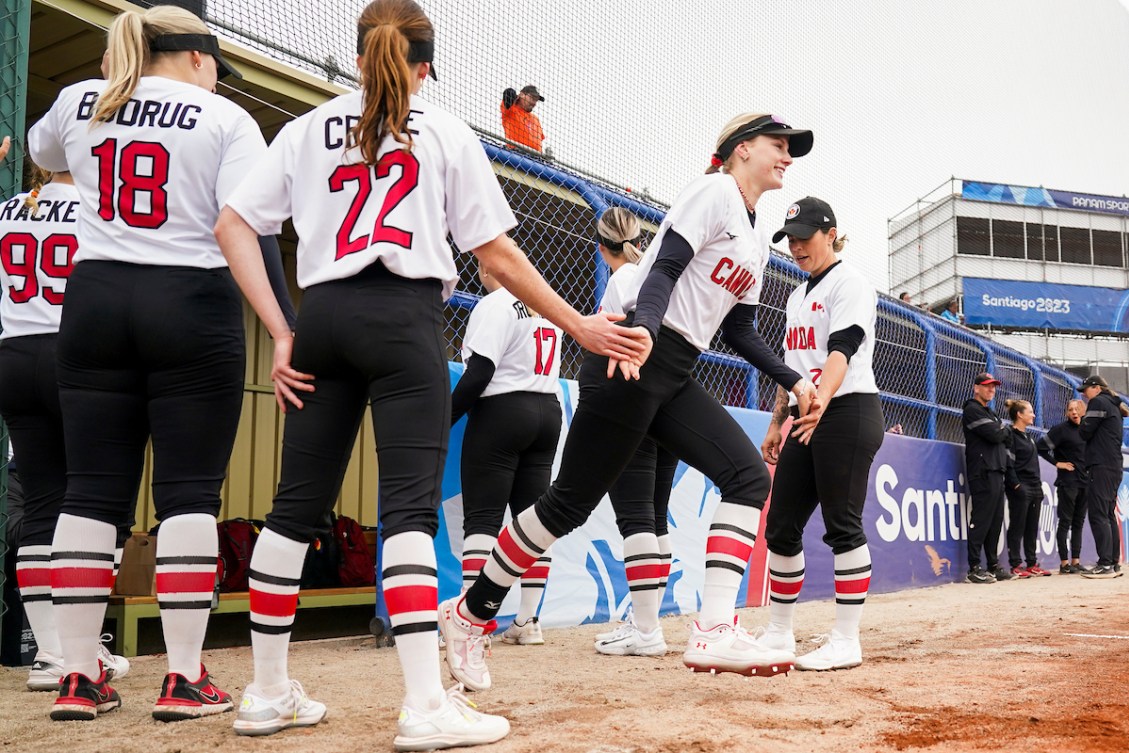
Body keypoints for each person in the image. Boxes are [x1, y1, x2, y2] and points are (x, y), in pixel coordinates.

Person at [213, 0, 647, 747]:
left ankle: (265, 692)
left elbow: (233, 224)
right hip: (402, 317)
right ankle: (422, 704)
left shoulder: (304, 128)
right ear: (422, 66)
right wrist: (577, 322)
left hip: (323, 315)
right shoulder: (443, 129)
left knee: (293, 509)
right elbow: (496, 256)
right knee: (408, 511)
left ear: (356, 55)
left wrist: (283, 329)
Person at [439, 111, 820, 689]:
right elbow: (663, 265)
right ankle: (469, 614)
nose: (787, 155)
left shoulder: (756, 243)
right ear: (741, 149)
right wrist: (643, 328)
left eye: (791, 147)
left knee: (747, 479)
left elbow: (740, 332)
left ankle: (714, 627)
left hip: (676, 368)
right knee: (566, 505)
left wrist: (792, 379)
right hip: (634, 354)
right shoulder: (715, 191)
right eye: (778, 144)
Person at [27, 4, 270, 722]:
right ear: (198, 57)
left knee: (90, 492)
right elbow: (245, 224)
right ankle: (184, 676)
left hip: (95, 297)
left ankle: (76, 676)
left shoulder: (81, 98)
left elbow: (48, 158)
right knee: (190, 494)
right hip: (190, 298)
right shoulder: (224, 120)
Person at [0, 166, 132, 692]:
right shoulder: (98, 210)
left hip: (13, 352)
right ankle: (83, 649)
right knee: (103, 502)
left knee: (40, 504)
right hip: (75, 359)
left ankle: (52, 653)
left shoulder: (10, 209)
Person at [751, 197, 884, 671]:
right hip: (808, 413)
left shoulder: (851, 283)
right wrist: (776, 421)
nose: (797, 246)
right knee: (782, 526)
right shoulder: (794, 295)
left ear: (831, 234)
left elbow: (842, 349)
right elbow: (792, 370)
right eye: (790, 238)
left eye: (806, 237)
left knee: (842, 525)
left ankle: (846, 642)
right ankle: (779, 633)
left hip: (847, 410)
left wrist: (821, 401)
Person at [451, 263, 563, 648]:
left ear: (487, 266)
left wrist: (442, 419)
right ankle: (528, 620)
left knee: (482, 519)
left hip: (502, 411)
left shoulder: (497, 303)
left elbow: (480, 372)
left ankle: (472, 623)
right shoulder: (545, 302)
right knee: (533, 522)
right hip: (547, 409)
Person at [588, 207, 679, 658]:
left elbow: (610, 343)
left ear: (602, 249)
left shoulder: (618, 283)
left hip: (633, 394)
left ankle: (645, 630)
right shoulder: (658, 272)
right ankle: (646, 622)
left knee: (635, 517)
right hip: (671, 395)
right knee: (657, 516)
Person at [961, 373, 1013, 584]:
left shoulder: (990, 412)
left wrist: (1002, 430)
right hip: (982, 471)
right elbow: (996, 435)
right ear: (976, 388)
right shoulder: (972, 409)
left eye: (993, 387)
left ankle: (993, 565)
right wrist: (1002, 430)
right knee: (982, 519)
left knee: (995, 521)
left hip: (996, 470)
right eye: (987, 386)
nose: (991, 390)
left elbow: (1005, 437)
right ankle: (974, 567)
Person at [1077, 375, 1129, 579]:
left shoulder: (1098, 401)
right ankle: (1113, 563)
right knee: (1108, 515)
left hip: (1101, 464)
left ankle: (1105, 563)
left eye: (1086, 389)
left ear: (1097, 388)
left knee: (1099, 514)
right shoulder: (1113, 404)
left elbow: (1084, 432)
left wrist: (1083, 417)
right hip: (1113, 465)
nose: (1083, 394)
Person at [1038, 399, 1089, 574]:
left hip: (1085, 483)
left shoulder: (1088, 431)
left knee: (1079, 522)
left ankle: (1076, 561)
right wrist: (1058, 463)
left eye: (1077, 409)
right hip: (1068, 482)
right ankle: (1064, 563)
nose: (1074, 412)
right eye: (1070, 410)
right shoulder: (1061, 430)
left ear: (1084, 411)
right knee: (1065, 522)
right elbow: (1041, 447)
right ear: (1067, 413)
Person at [1003, 400, 1051, 578]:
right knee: (1017, 526)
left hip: (1034, 487)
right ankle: (1016, 565)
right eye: (1030, 412)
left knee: (1032, 527)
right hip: (1020, 487)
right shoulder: (1010, 435)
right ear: (1019, 415)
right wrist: (1016, 484)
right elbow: (1009, 463)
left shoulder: (1029, 437)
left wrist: (1038, 486)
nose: (1034, 415)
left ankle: (1032, 563)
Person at [500, 84, 545, 152]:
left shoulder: (536, 119)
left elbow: (540, 140)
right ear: (521, 94)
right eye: (532, 98)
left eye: (536, 100)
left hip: (536, 158)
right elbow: (508, 96)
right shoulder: (511, 110)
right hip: (516, 153)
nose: (534, 103)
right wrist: (511, 93)